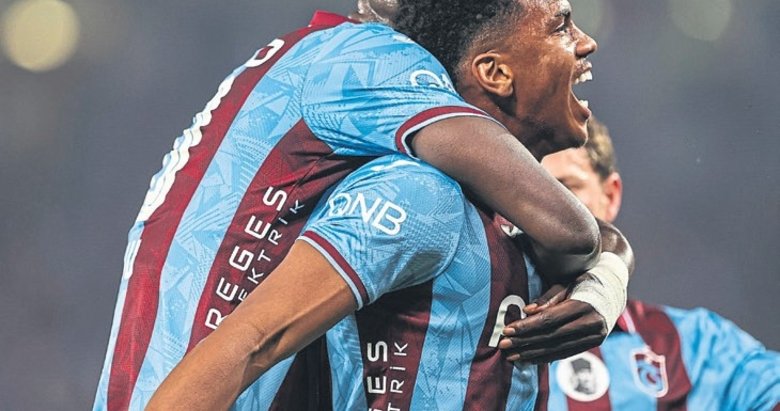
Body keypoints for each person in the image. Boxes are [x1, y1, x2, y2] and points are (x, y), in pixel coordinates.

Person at [147, 1, 635, 409]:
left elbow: (586, 235)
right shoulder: (414, 183)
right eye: (561, 26)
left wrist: (607, 277)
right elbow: (255, 341)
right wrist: (601, 267)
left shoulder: (497, 204)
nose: (586, 41)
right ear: (495, 72)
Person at [540, 118, 780, 410]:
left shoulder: (695, 348)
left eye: (564, 188)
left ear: (610, 196)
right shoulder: (486, 354)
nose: (540, 209)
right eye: (522, 193)